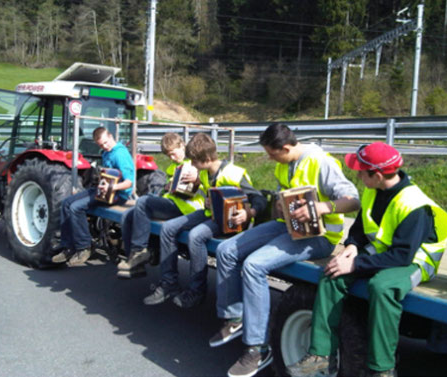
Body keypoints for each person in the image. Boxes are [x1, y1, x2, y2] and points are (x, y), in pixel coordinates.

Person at [286, 142, 447, 377]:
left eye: (361, 171)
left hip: (414, 261)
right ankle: (320, 355)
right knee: (332, 275)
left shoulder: (414, 205)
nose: (357, 174)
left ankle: (383, 369)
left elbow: (402, 255)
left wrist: (355, 264)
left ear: (376, 175)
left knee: (382, 287)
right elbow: (360, 228)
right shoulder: (373, 190)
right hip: (383, 253)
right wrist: (352, 247)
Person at [209, 123, 360, 377]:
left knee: (254, 265)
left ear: (287, 147)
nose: (269, 158)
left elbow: (353, 200)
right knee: (226, 250)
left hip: (320, 236)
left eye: (272, 153)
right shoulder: (284, 163)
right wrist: (280, 205)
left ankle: (258, 348)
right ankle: (235, 318)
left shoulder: (321, 162)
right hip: (287, 227)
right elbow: (285, 196)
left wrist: (322, 208)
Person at [143, 132, 267, 309]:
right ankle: (168, 282)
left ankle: (197, 290)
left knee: (196, 236)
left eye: (194, 161)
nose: (192, 165)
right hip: (211, 213)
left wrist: (249, 213)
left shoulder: (234, 173)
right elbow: (205, 193)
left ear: (207, 158)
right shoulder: (205, 173)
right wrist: (207, 198)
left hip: (230, 221)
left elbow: (259, 199)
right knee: (168, 228)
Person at [118, 132, 205, 278]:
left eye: (173, 153)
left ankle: (140, 251)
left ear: (182, 146)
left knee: (143, 202)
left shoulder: (194, 164)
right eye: (168, 155)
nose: (171, 157)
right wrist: (167, 187)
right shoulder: (174, 166)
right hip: (171, 202)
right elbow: (169, 188)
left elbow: (206, 184)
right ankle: (133, 259)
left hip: (186, 208)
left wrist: (197, 179)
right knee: (128, 215)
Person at [51, 127, 135, 267]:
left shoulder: (120, 154)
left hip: (117, 195)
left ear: (111, 136)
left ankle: (84, 246)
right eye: (101, 145)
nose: (105, 147)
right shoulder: (106, 153)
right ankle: (68, 246)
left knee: (76, 208)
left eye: (106, 143)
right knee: (66, 203)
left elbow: (129, 183)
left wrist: (112, 187)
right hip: (104, 190)